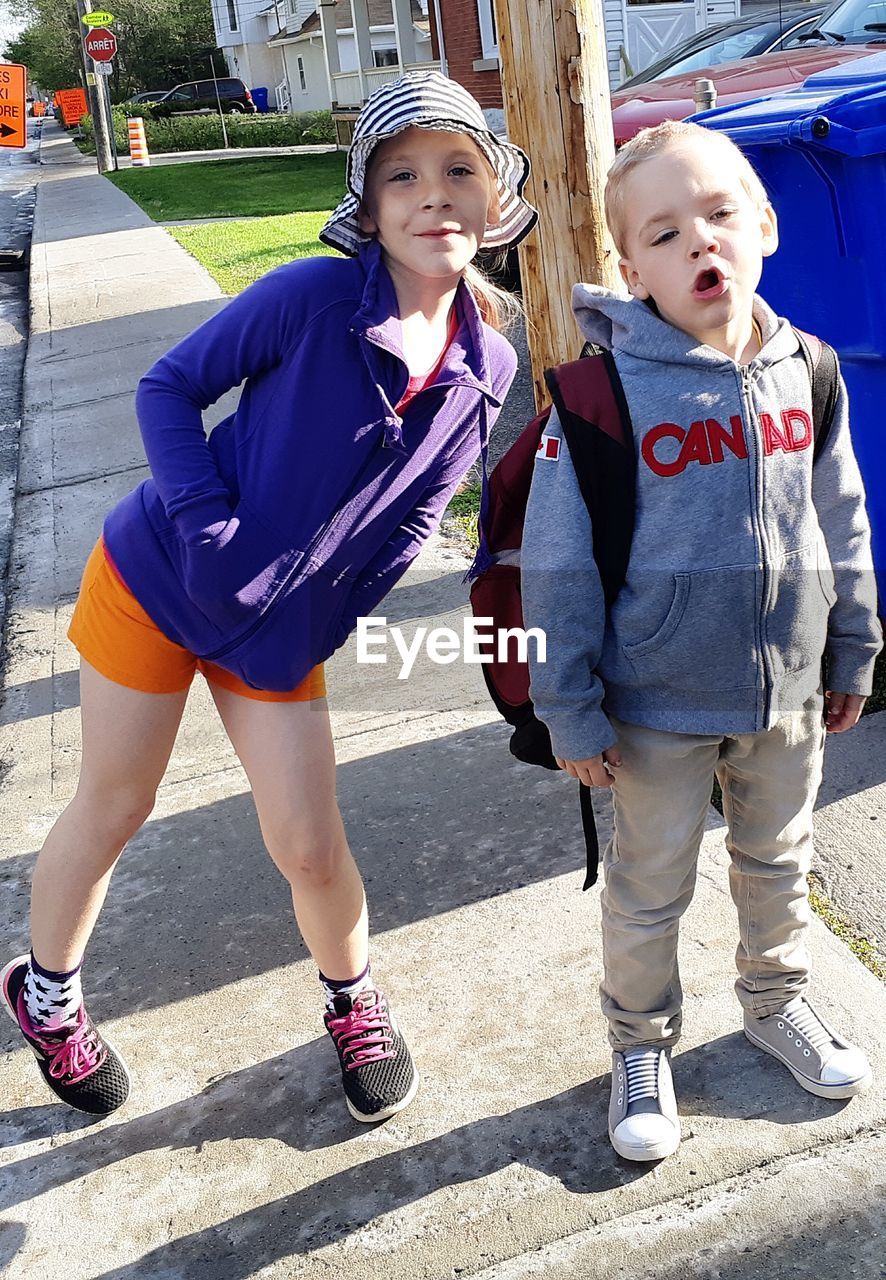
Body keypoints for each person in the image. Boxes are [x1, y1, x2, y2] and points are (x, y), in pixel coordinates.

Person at [1, 71, 537, 1124]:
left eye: (458, 169)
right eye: (403, 176)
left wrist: (329, 615)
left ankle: (354, 996)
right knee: (115, 803)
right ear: (370, 208)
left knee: (307, 837)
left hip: (278, 633)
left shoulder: (488, 368)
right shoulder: (311, 297)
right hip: (155, 580)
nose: (434, 194)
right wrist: (207, 527)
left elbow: (418, 521)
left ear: (491, 198)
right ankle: (46, 992)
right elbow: (169, 387)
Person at [521, 120, 882, 1162]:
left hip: (785, 696)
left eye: (719, 216)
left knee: (777, 861)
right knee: (650, 885)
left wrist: (850, 646)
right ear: (630, 268)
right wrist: (570, 706)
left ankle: (776, 1002)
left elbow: (841, 514)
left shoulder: (807, 369)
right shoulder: (599, 399)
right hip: (653, 708)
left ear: (763, 226)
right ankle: (639, 1042)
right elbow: (557, 565)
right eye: (667, 234)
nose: (700, 246)